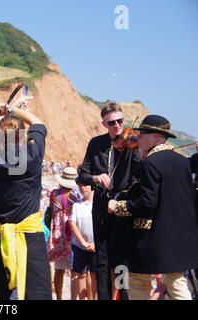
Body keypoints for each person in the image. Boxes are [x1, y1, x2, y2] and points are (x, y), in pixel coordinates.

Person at [108, 115, 198, 300]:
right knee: (178, 283)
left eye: (142, 133)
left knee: (135, 280)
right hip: (181, 238)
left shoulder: (150, 163)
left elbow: (146, 202)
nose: (137, 137)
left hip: (154, 239)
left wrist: (117, 206)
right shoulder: (183, 162)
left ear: (156, 137)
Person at [0, 95, 52, 300]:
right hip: (29, 236)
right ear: (24, 136)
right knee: (36, 292)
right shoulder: (32, 154)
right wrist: (10, 109)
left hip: (3, 237)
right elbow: (38, 123)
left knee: (7, 293)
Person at [77, 102, 139, 300]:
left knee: (121, 259)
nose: (117, 126)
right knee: (101, 258)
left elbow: (140, 173)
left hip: (122, 204)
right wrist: (96, 178)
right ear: (104, 124)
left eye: (120, 121)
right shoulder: (96, 144)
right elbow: (82, 176)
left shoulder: (132, 144)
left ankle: (124, 296)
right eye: (112, 122)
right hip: (101, 204)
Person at [48, 167, 78, 300]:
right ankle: (73, 297)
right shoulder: (76, 194)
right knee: (74, 270)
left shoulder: (54, 194)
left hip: (58, 234)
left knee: (58, 269)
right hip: (73, 232)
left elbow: (50, 212)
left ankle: (59, 297)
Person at [69, 184, 97, 300]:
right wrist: (82, 242)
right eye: (81, 186)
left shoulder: (97, 205)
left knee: (94, 275)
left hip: (95, 245)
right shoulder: (76, 205)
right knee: (81, 274)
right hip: (79, 245)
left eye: (85, 185)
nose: (83, 188)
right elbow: (72, 224)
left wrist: (95, 244)